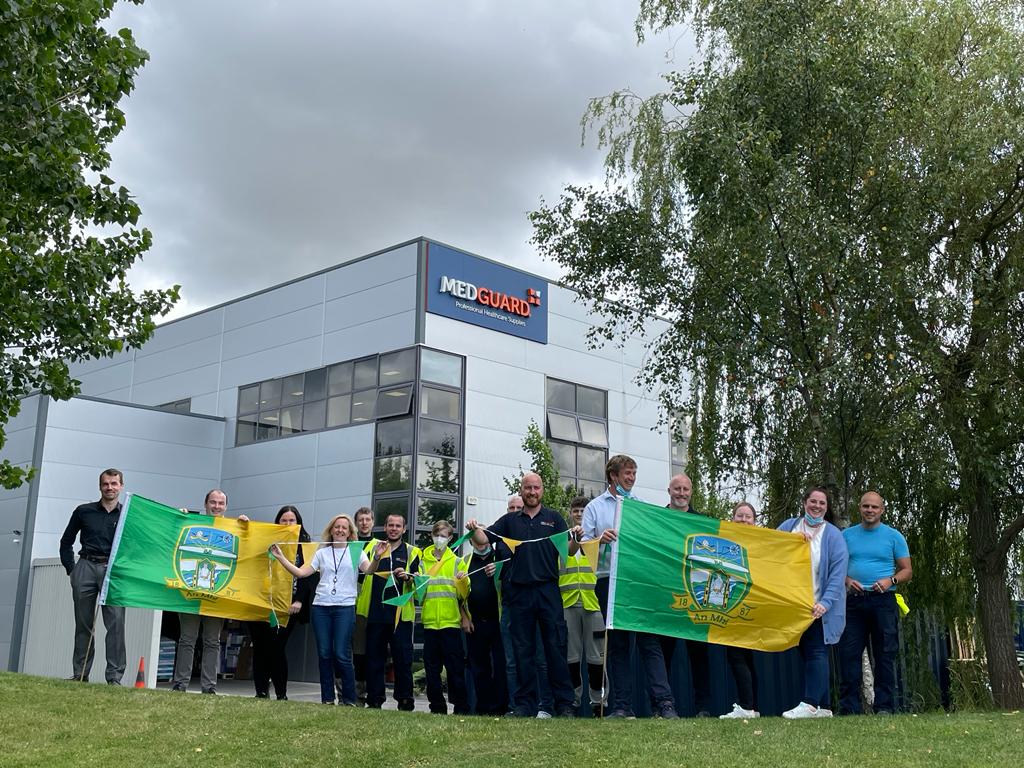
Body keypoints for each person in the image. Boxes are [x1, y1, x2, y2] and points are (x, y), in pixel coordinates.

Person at [467, 472, 576, 718]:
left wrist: (577, 540)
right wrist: (474, 529)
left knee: (555, 649)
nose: (532, 492)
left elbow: (568, 549)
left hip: (547, 590)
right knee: (522, 651)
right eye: (528, 487)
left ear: (542, 490)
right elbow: (484, 539)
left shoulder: (555, 519)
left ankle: (564, 705)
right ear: (522, 490)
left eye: (536, 487)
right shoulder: (508, 521)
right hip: (517, 593)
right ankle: (525, 706)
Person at [582, 455, 677, 719]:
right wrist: (601, 539)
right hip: (608, 581)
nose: (632, 478)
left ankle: (665, 704)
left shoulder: (641, 507)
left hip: (637, 580)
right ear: (613, 475)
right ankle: (622, 707)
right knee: (618, 645)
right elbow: (583, 547)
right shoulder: (594, 507)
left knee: (649, 642)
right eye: (627, 473)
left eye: (634, 474)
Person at [271, 513, 384, 704]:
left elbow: (369, 570)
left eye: (344, 528)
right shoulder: (321, 552)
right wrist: (281, 557)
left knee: (341, 654)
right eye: (337, 527)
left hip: (345, 607)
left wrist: (378, 557)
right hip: (321, 607)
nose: (340, 530)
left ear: (349, 533)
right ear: (331, 530)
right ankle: (327, 699)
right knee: (324, 653)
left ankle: (349, 699)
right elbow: (301, 572)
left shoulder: (356, 551)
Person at [838, 491, 912, 716]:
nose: (870, 510)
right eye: (866, 506)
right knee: (849, 655)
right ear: (859, 508)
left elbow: (907, 571)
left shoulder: (894, 536)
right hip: (854, 602)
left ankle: (885, 707)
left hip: (884, 601)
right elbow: (836, 568)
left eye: (874, 507)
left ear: (882, 510)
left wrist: (890, 580)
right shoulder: (846, 536)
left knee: (885, 654)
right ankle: (849, 708)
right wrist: (847, 580)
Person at [779, 485, 849, 719]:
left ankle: (809, 704)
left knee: (817, 651)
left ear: (826, 507)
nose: (817, 506)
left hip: (819, 606)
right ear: (804, 502)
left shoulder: (834, 535)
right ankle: (824, 708)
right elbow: (770, 550)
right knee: (806, 652)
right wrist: (790, 542)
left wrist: (826, 602)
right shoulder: (789, 527)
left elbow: (839, 574)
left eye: (822, 503)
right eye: (813, 501)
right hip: (795, 604)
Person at [171, 489, 248, 694]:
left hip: (216, 595)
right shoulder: (192, 522)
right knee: (187, 639)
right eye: (212, 502)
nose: (216, 506)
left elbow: (248, 545)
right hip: (190, 593)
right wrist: (180, 516)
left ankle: (209, 686)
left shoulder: (233, 527)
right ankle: (180, 684)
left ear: (226, 507)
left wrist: (247, 527)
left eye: (220, 503)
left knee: (212, 641)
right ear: (205, 504)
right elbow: (173, 534)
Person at [59, 469, 128, 684]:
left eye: (114, 483)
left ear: (121, 486)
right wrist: (72, 570)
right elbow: (66, 542)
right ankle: (80, 674)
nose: (110, 487)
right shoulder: (83, 511)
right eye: (106, 484)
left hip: (113, 570)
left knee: (116, 624)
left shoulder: (128, 514)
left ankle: (114, 678)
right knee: (83, 624)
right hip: (86, 566)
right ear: (100, 486)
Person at [248, 505, 315, 700]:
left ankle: (281, 693)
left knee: (277, 648)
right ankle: (260, 691)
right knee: (260, 648)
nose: (287, 523)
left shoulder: (305, 546)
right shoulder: (267, 541)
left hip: (288, 607)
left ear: (298, 523)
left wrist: (300, 601)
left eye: (291, 520)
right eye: (283, 520)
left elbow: (308, 577)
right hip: (260, 603)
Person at [356, 513, 420, 711]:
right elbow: (361, 576)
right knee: (374, 659)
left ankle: (405, 700)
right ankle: (374, 699)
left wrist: (409, 578)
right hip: (375, 612)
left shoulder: (413, 552)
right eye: (390, 525)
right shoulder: (370, 548)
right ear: (384, 528)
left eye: (397, 526)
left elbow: (419, 581)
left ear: (404, 529)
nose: (393, 528)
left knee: (403, 659)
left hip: (400, 616)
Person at [665, 472, 712, 717]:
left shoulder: (702, 521)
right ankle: (661, 706)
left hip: (696, 595)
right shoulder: (656, 519)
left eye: (685, 489)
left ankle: (703, 707)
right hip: (666, 594)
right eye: (677, 489)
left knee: (699, 655)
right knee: (664, 653)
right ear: (669, 490)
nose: (681, 493)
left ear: (691, 492)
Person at [418, 520, 470, 715]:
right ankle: (437, 707)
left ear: (450, 538)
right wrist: (417, 581)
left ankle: (461, 707)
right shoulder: (423, 562)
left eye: (444, 535)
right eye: (437, 534)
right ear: (432, 535)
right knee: (432, 671)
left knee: (455, 670)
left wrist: (463, 580)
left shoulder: (457, 561)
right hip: (430, 623)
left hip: (450, 623)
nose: (440, 538)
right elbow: (419, 596)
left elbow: (464, 595)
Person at [562, 496, 605, 713]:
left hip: (593, 604)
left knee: (596, 657)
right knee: (571, 658)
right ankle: (573, 701)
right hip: (568, 605)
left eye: (583, 510)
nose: (579, 514)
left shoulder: (596, 540)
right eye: (576, 510)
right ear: (570, 513)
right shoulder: (561, 540)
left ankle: (598, 703)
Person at [461, 522, 508, 715]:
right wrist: (464, 618)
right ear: (471, 540)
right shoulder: (463, 561)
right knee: (479, 668)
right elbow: (458, 595)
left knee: (501, 667)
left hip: (499, 621)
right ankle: (482, 708)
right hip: (475, 623)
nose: (480, 540)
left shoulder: (501, 557)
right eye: (475, 535)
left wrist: (499, 569)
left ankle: (500, 708)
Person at [720, 502, 761, 719]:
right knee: (742, 656)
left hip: (748, 605)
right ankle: (752, 707)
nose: (744, 520)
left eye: (748, 517)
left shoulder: (762, 543)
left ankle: (747, 706)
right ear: (732, 519)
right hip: (731, 603)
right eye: (739, 516)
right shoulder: (726, 541)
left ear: (755, 521)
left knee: (738, 655)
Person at [351, 506, 376, 705]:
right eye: (361, 520)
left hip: (370, 606)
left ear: (373, 522)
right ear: (356, 522)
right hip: (349, 603)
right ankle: (353, 694)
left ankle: (368, 693)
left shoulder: (379, 545)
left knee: (368, 652)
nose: (364, 523)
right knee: (352, 652)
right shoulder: (350, 544)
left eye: (368, 519)